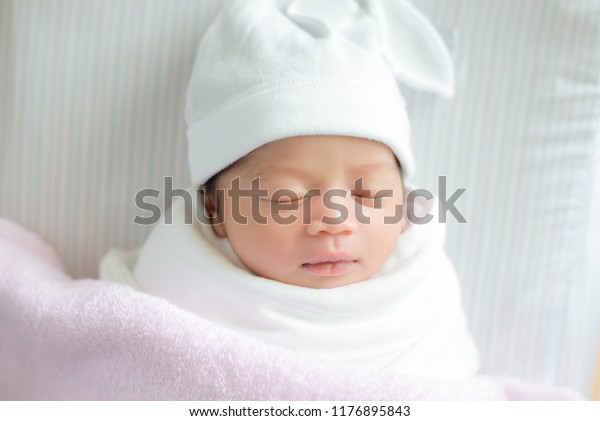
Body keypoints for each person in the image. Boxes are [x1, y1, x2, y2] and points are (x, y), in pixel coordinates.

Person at [101, 0, 480, 378]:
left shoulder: (423, 292)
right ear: (214, 210)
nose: (335, 221)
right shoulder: (173, 283)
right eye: (288, 200)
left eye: (370, 195)